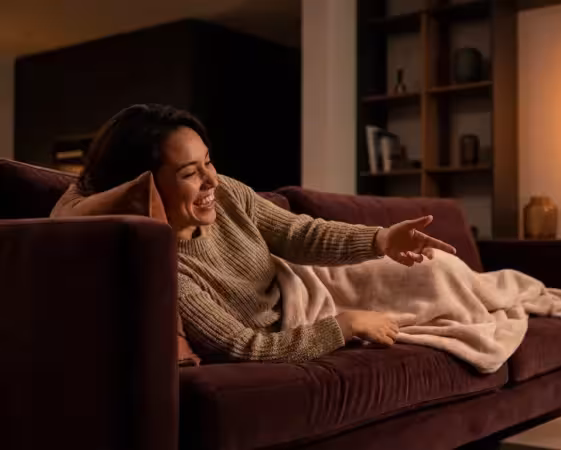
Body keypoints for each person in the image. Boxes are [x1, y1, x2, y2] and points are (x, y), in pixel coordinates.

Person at [77, 104, 457, 363]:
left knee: (437, 269)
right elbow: (247, 348)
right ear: (142, 189)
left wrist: (383, 239)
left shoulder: (226, 192)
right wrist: (348, 324)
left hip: (305, 282)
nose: (213, 181)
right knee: (439, 282)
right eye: (190, 173)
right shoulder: (168, 274)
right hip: (304, 314)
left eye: (208, 161)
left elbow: (300, 234)